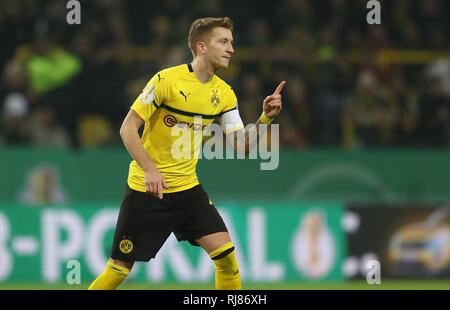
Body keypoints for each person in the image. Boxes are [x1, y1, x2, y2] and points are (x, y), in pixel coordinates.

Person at [89, 17, 285, 290]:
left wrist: (265, 118)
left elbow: (242, 145)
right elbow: (127, 128)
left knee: (227, 258)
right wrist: (149, 170)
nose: (231, 49)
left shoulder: (225, 94)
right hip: (148, 190)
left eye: (232, 42)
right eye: (224, 41)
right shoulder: (165, 81)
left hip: (187, 190)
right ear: (202, 47)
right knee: (119, 270)